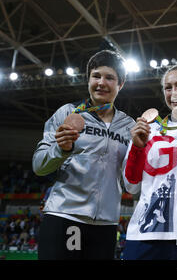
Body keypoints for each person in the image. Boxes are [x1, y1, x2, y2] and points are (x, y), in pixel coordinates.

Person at [32, 50, 135, 260]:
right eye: (96, 76)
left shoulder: (129, 126)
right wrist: (62, 149)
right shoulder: (67, 114)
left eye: (109, 77)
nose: (101, 83)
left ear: (120, 84)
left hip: (106, 224)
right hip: (67, 216)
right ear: (88, 80)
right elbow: (39, 165)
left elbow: (130, 182)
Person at [121, 65, 177, 260]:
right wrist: (137, 148)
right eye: (168, 88)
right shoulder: (148, 131)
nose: (173, 93)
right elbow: (131, 187)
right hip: (146, 236)